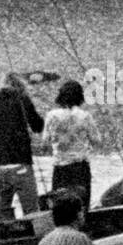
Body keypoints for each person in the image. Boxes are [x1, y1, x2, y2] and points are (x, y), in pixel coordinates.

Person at [0, 74, 44, 218]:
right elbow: (38, 126)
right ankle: (32, 238)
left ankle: (6, 236)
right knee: (31, 210)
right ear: (20, 86)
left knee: (1, 209)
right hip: (22, 162)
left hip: (1, 164)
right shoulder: (23, 100)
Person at [43, 80, 97, 214]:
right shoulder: (85, 116)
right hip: (80, 168)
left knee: (61, 207)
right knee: (81, 206)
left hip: (60, 169)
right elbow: (96, 140)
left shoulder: (51, 116)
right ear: (80, 96)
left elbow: (45, 142)